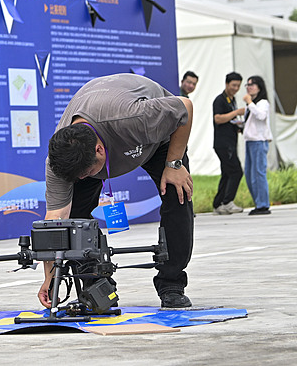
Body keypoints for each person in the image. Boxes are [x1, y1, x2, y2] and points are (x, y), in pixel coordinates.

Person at [40, 73, 195, 309]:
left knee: (178, 194)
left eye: (87, 173)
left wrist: (174, 164)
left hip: (156, 141)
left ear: (100, 150)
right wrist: (51, 278)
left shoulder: (134, 118)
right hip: (100, 137)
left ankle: (171, 284)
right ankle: (96, 286)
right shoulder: (60, 161)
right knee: (74, 219)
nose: (83, 179)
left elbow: (185, 107)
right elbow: (55, 221)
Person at [212, 72, 246, 215]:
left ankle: (218, 204)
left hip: (231, 141)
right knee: (236, 171)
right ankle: (227, 202)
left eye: (238, 86)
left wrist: (238, 126)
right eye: (233, 85)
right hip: (223, 143)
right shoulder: (220, 100)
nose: (236, 88)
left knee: (227, 173)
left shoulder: (232, 100)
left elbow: (228, 120)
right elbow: (218, 118)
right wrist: (236, 112)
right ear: (226, 84)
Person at [242, 76, 273, 215]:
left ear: (259, 87)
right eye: (247, 85)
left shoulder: (263, 103)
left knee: (259, 173)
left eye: (252, 85)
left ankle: (263, 204)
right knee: (249, 174)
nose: (249, 87)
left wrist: (249, 103)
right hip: (250, 141)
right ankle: (258, 202)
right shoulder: (252, 104)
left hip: (259, 141)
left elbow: (261, 116)